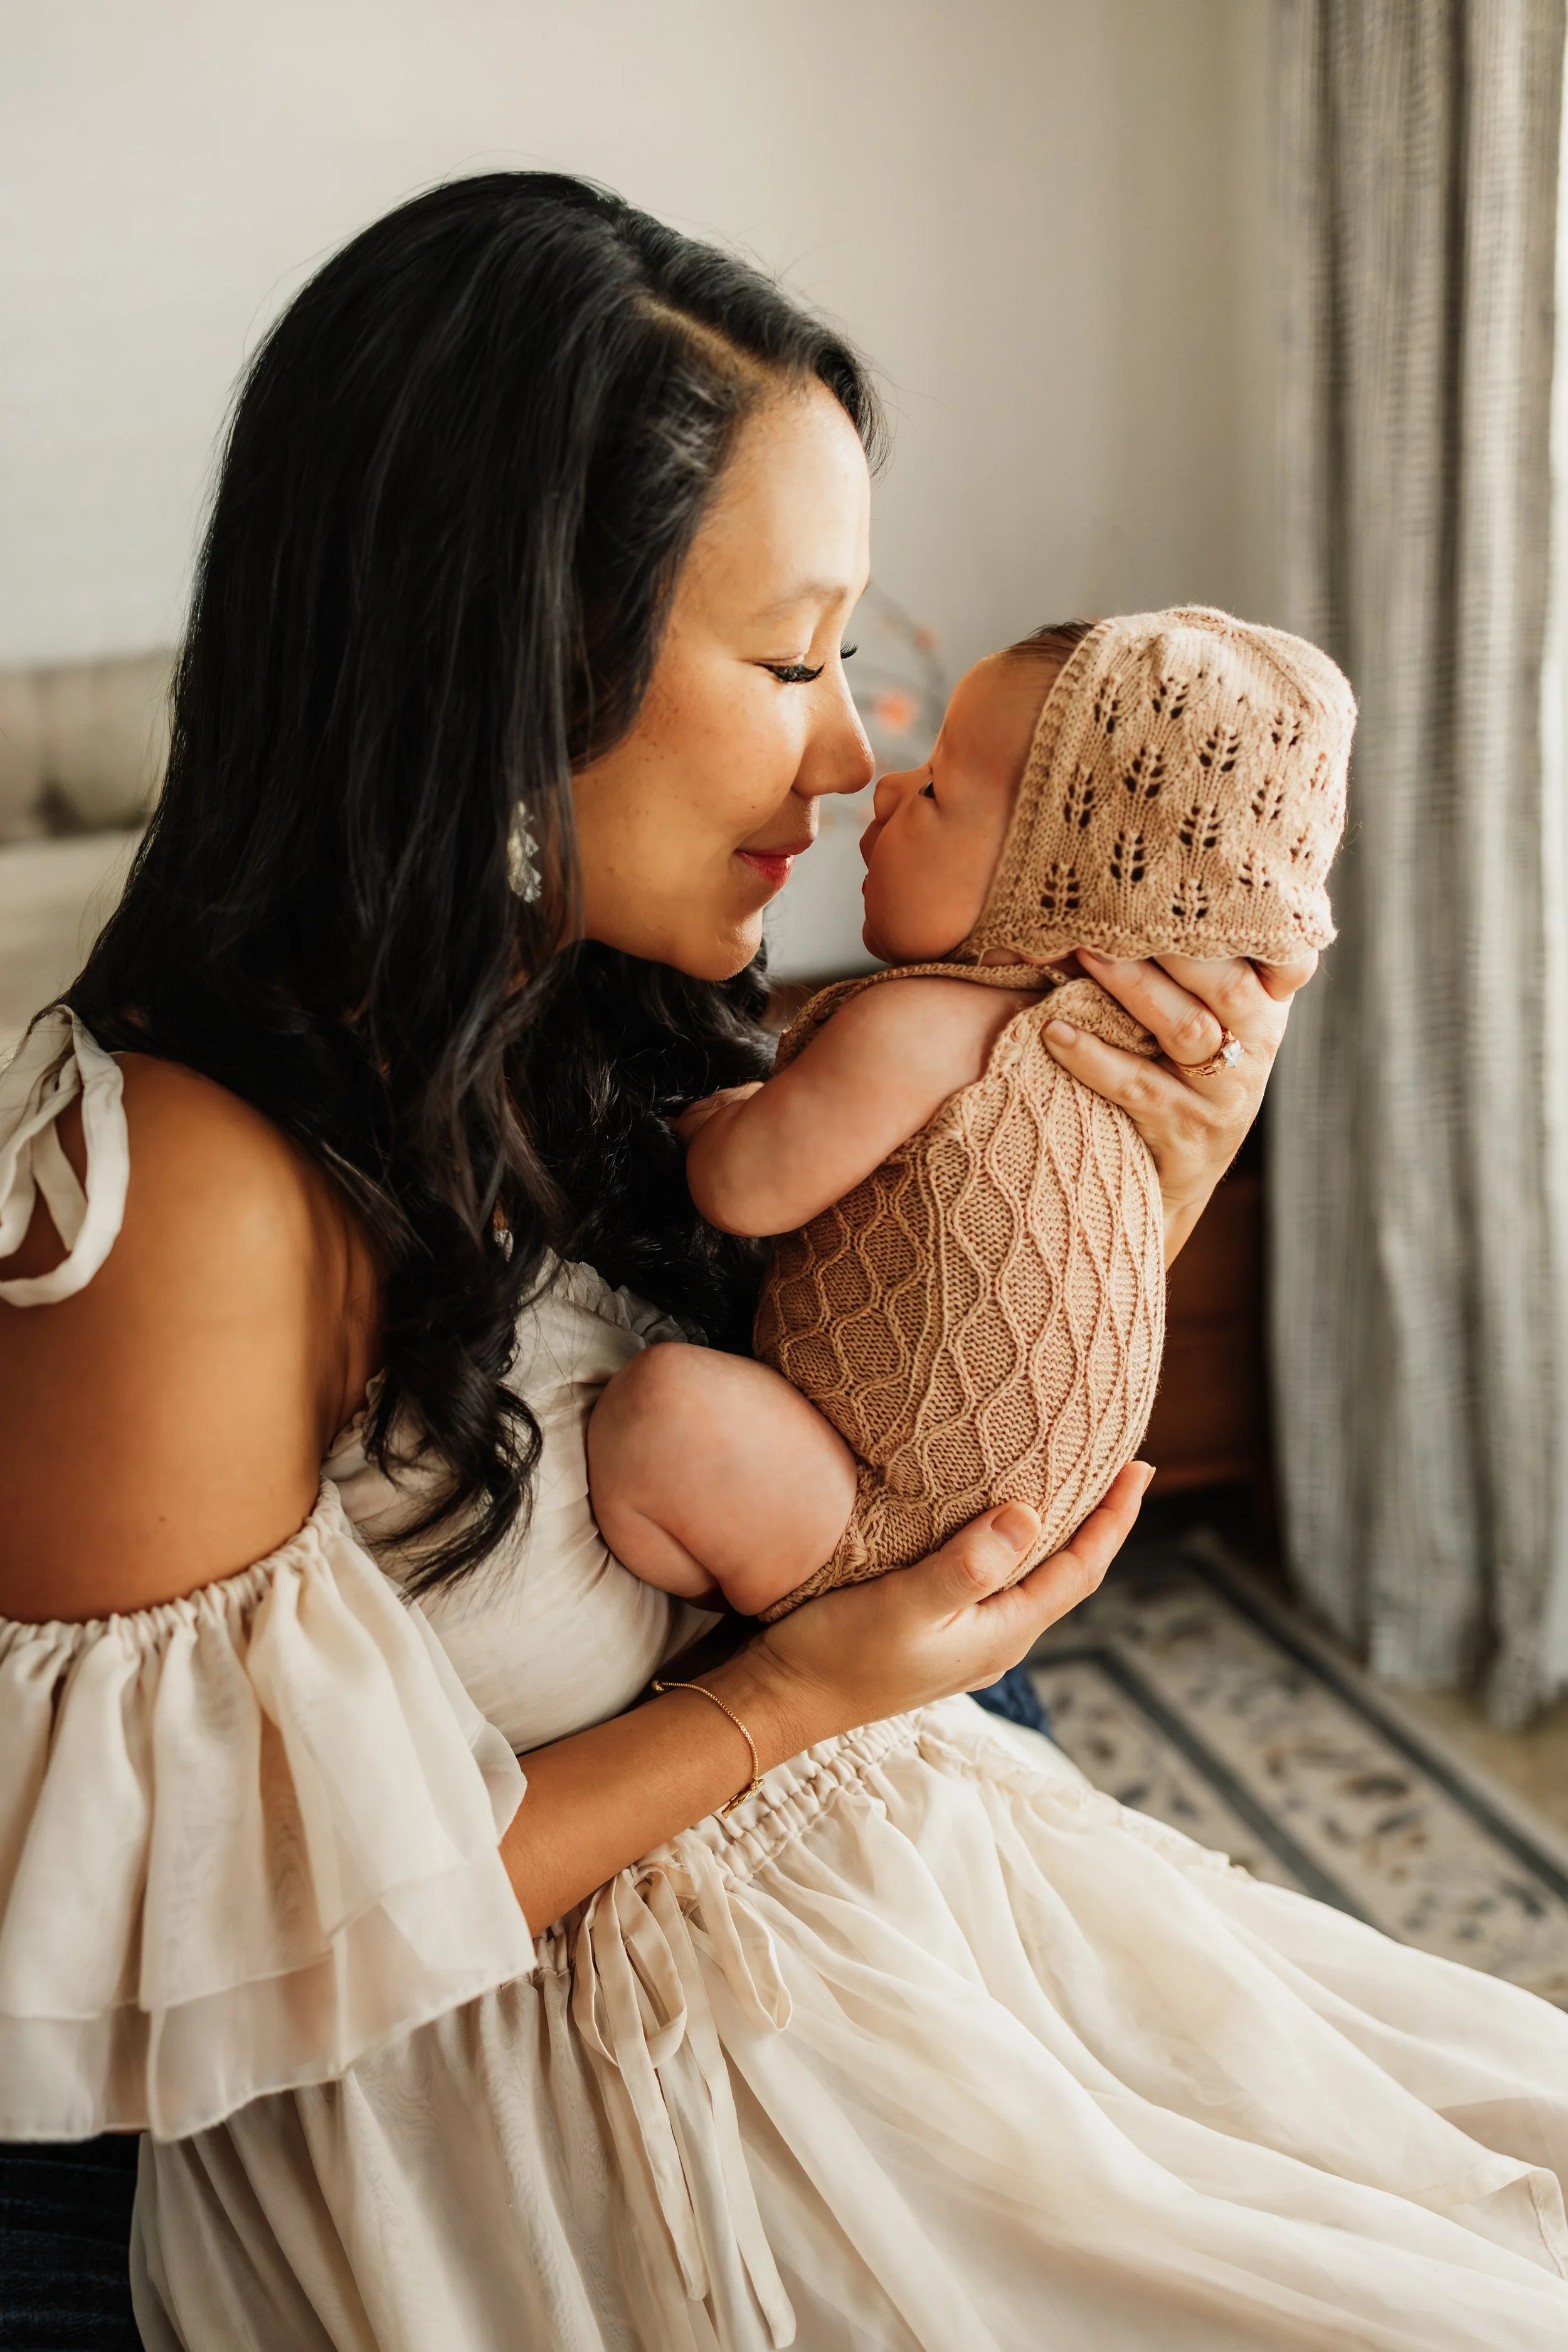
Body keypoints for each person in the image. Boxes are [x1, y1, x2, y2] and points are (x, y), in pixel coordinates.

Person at [2, 174, 1564, 2352]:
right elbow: (207, 1968)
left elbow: (894, 1425)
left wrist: (1130, 1166)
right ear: (508, 664)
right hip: (548, 2141)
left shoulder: (590, 1014)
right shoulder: (180, 1199)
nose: (850, 755)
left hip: (892, 1922)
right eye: (790, 657)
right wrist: (794, 1702)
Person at [586, 608, 1352, 1622]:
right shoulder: (1114, 1076)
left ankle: (736, 1609)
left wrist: (723, 1116)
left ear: (1049, 887)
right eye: (791, 662)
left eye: (941, 788)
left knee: (656, 1415)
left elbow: (738, 1187)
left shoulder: (926, 1025)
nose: (884, 781)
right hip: (1012, 1544)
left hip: (872, 1526)